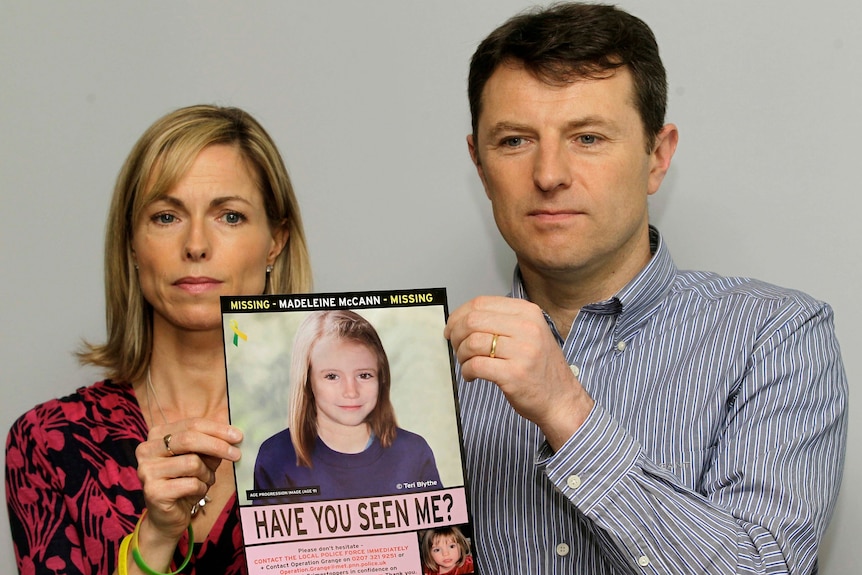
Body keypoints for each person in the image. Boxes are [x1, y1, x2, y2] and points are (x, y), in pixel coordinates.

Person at [444, 3, 848, 574]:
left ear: (656, 157)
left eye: (587, 137)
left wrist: (568, 414)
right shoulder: (421, 366)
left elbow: (766, 568)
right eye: (514, 141)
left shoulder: (777, 337)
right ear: (479, 166)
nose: (549, 173)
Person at [5, 104, 312, 575]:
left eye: (229, 216)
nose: (195, 244)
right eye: (166, 216)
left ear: (276, 241)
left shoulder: (342, 421)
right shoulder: (49, 443)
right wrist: (155, 538)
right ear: (131, 243)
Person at [253, 309, 442, 504]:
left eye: (364, 375)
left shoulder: (413, 451)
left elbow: (442, 530)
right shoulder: (275, 455)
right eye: (332, 376)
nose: (351, 392)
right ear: (307, 381)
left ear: (381, 377)